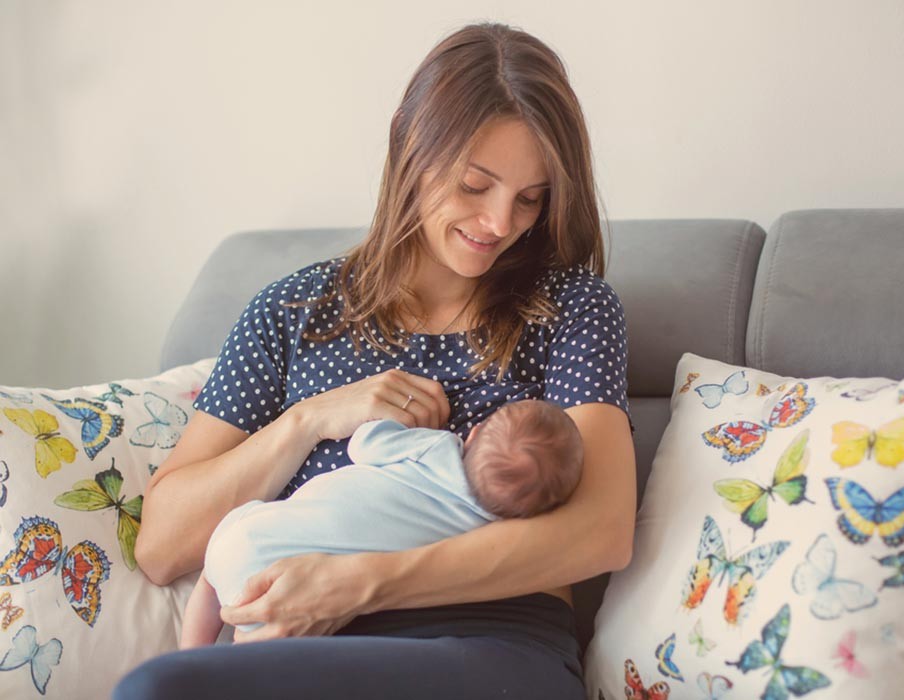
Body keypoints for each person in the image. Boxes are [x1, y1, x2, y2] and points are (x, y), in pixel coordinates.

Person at [116, 21, 636, 700]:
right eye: (475, 186)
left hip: (492, 641)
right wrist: (307, 421)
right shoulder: (292, 312)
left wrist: (359, 580)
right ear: (410, 146)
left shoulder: (571, 308)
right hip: (301, 650)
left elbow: (600, 533)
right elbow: (163, 546)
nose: (500, 223)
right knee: (159, 688)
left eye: (530, 198)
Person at [180, 399, 584, 648]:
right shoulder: (481, 535)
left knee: (211, 581)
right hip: (287, 591)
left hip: (249, 535)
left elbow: (365, 443)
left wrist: (411, 427)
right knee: (256, 648)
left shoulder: (436, 447)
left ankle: (190, 655)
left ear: (474, 433)